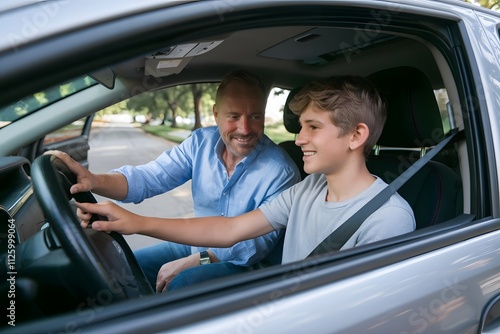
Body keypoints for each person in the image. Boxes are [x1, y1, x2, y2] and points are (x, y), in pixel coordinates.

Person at [74, 75, 415, 267]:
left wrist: (200, 262)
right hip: (283, 304)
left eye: (312, 127)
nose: (298, 140)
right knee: (120, 267)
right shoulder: (308, 189)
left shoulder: (388, 220)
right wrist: (136, 222)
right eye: (301, 127)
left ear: (356, 135)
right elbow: (232, 228)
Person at [50, 69, 300, 292]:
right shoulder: (200, 142)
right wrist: (94, 180)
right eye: (233, 116)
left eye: (255, 117)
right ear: (215, 114)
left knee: (182, 284)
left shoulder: (281, 172)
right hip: (199, 243)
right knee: (122, 268)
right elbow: (148, 178)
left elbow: (251, 248)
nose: (245, 128)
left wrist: (199, 259)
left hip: (250, 264)